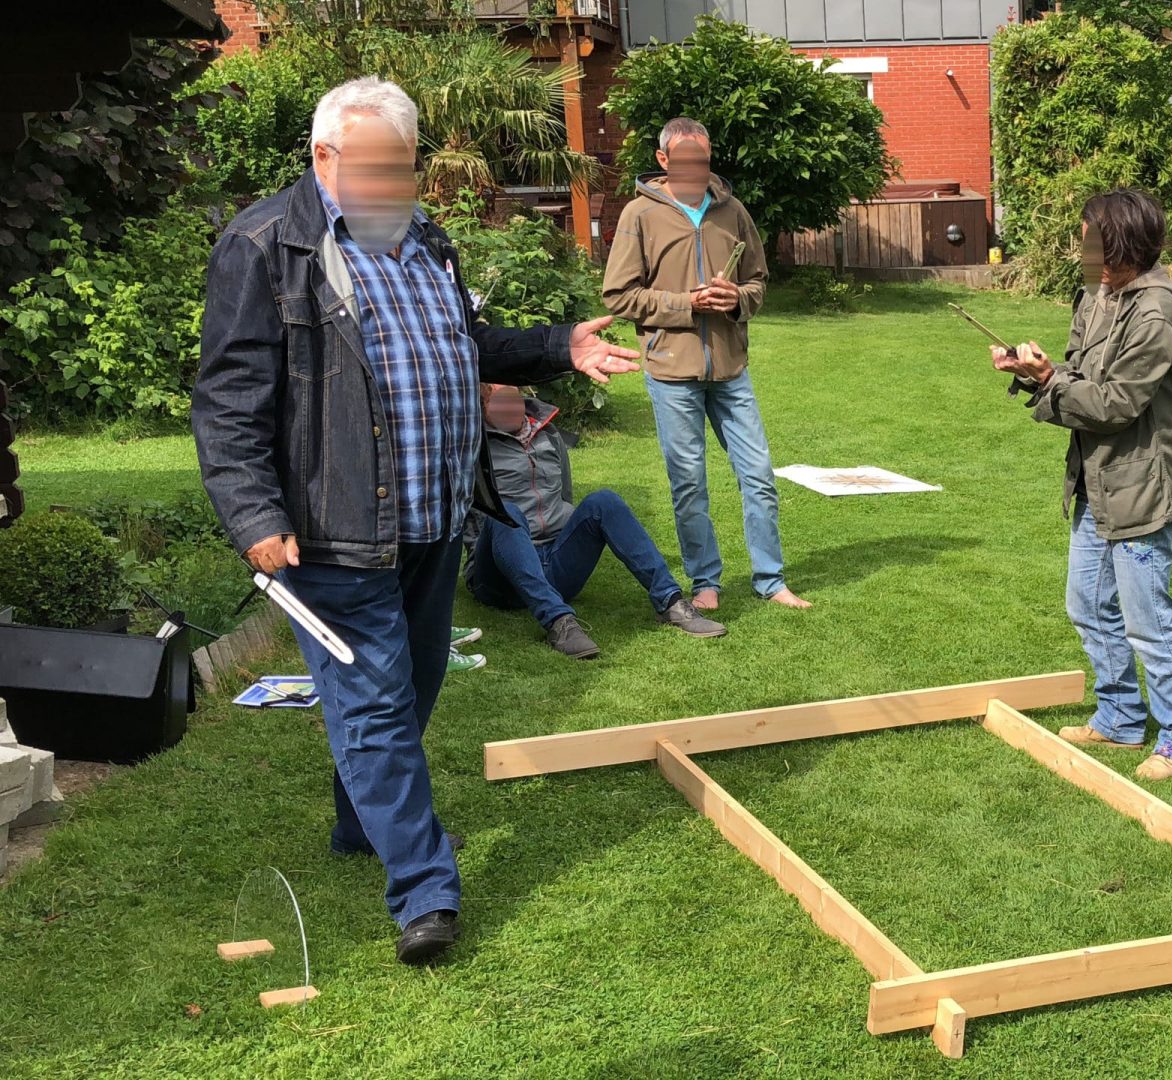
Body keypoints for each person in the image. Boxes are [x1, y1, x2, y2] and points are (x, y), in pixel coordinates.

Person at [191, 77, 641, 966]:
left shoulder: (425, 240)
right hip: (330, 528)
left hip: (435, 516)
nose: (394, 186)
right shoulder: (264, 245)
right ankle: (426, 890)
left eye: (404, 168)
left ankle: (363, 827)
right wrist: (252, 510)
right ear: (323, 158)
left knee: (416, 684)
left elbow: (461, 346)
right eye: (374, 168)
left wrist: (559, 346)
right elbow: (229, 400)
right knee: (373, 705)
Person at [990, 189, 1172, 781]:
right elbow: (1079, 375)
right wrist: (1038, 374)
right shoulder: (1095, 294)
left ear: (1123, 241)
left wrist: (1051, 380)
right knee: (1087, 605)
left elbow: (1115, 404)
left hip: (1143, 486)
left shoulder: (1157, 313)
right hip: (1095, 479)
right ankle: (1119, 718)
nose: (1082, 249)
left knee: (1146, 619)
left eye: (1091, 238)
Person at [601, 117, 808, 612]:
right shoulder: (639, 215)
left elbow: (758, 281)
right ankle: (705, 581)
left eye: (704, 159)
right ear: (664, 160)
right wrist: (684, 304)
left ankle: (770, 579)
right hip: (671, 372)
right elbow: (618, 295)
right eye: (687, 159)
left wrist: (736, 297)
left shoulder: (732, 211)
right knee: (689, 482)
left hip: (732, 371)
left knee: (758, 474)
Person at [465, 384, 726, 657]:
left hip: (553, 562)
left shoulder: (548, 435)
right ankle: (560, 623)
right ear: (482, 406)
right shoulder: (472, 445)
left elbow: (565, 495)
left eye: (512, 397)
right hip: (498, 575)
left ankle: (671, 602)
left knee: (604, 501)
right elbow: (466, 511)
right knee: (507, 513)